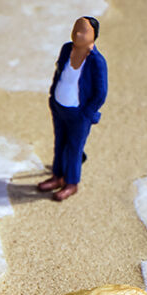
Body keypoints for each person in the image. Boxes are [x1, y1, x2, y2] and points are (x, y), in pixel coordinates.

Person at [38, 16, 107, 201]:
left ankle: (71, 183)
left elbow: (101, 92)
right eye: (76, 29)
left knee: (75, 148)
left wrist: (86, 113)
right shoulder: (67, 49)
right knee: (60, 143)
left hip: (79, 114)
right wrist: (53, 96)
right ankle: (57, 176)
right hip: (59, 107)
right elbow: (59, 72)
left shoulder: (97, 61)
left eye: (83, 31)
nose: (77, 34)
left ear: (94, 35)